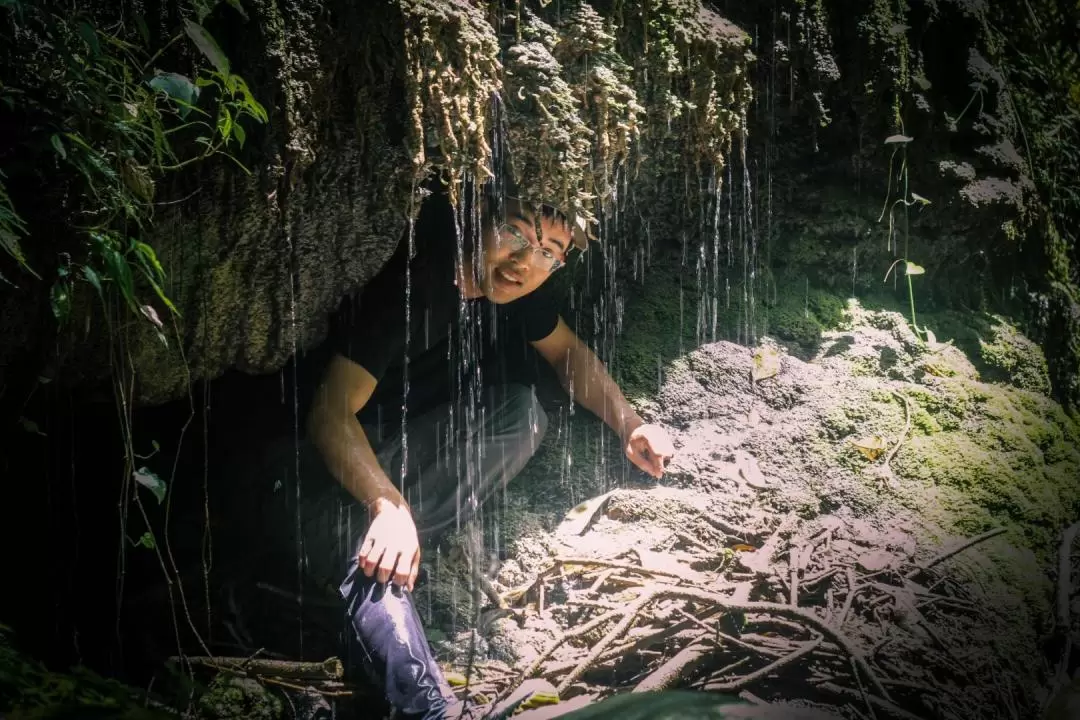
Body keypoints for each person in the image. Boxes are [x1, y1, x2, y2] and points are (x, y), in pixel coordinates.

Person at [300, 179, 675, 719]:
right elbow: (328, 411)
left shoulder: (516, 288)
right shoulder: (420, 286)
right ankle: (421, 689)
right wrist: (388, 507)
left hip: (398, 451)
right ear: (475, 217)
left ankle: (369, 550)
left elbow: (565, 351)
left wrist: (630, 424)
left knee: (521, 415)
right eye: (513, 233)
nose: (524, 260)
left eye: (549, 253)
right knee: (365, 543)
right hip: (320, 467)